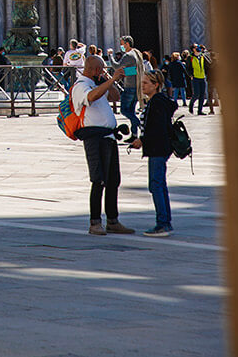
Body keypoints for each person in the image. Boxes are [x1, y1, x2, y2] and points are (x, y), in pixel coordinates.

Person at [71, 54, 135, 236]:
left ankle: (113, 221)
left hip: (109, 138)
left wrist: (109, 80)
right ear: (95, 70)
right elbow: (91, 97)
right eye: (101, 69)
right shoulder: (80, 86)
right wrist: (108, 80)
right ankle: (95, 222)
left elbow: (114, 95)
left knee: (113, 180)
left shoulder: (97, 83)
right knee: (98, 179)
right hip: (94, 138)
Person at [130, 68, 177, 236]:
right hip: (159, 147)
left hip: (157, 148)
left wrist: (142, 140)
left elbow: (156, 128)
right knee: (160, 185)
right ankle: (165, 221)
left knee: (156, 185)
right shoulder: (157, 101)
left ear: (156, 85)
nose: (142, 86)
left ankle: (162, 223)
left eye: (145, 83)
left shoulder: (156, 102)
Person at [118, 35, 144, 138]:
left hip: (129, 87)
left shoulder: (128, 55)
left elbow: (116, 66)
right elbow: (134, 70)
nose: (121, 47)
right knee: (132, 111)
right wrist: (125, 72)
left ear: (127, 44)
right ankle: (134, 135)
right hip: (136, 85)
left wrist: (110, 56)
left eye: (122, 44)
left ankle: (140, 125)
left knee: (124, 110)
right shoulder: (136, 54)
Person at [189, 44, 208, 114]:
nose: (198, 48)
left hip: (202, 77)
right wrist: (191, 75)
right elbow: (188, 67)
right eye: (196, 47)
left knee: (202, 95)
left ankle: (200, 110)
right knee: (196, 94)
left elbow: (206, 65)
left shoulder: (202, 56)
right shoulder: (190, 57)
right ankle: (191, 104)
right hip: (195, 77)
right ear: (193, 49)